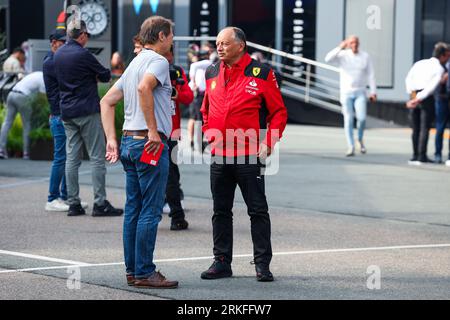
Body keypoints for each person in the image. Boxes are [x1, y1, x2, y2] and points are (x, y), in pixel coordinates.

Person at [200, 27, 288, 282]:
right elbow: (205, 109)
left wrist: (269, 142)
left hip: (250, 154)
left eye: (225, 43)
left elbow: (279, 113)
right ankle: (221, 262)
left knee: (257, 210)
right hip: (219, 155)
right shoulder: (212, 71)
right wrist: (209, 133)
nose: (219, 48)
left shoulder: (262, 73)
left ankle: (262, 264)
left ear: (241, 45)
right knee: (220, 211)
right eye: (217, 43)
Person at [100, 16, 178, 289]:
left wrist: (111, 138)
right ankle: (144, 271)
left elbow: (106, 101)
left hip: (129, 142)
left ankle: (133, 270)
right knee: (150, 209)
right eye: (170, 36)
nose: (172, 40)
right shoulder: (157, 60)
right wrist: (154, 131)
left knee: (134, 208)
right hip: (148, 143)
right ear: (160, 36)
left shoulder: (134, 63)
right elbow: (145, 88)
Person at [54, 20, 123, 217]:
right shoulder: (84, 55)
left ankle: (73, 203)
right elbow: (104, 75)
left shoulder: (58, 54)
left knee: (72, 158)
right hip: (87, 110)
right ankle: (99, 202)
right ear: (82, 34)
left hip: (66, 111)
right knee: (96, 157)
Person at [325, 36, 377, 157]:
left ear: (359, 43)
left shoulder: (365, 56)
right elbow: (327, 59)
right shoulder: (343, 55)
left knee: (362, 118)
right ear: (348, 44)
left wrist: (373, 91)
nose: (354, 45)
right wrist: (339, 47)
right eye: (352, 42)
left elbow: (371, 74)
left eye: (356, 42)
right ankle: (350, 145)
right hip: (346, 92)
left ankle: (359, 139)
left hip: (360, 92)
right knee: (348, 119)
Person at [163, 45, 194, 230]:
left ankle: (176, 216)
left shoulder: (177, 71)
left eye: (169, 54)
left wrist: (175, 92)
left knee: (172, 175)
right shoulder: (148, 68)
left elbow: (188, 97)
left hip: (171, 132)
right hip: (151, 130)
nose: (167, 58)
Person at [406, 42, 450, 165]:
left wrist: (412, 96)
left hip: (413, 95)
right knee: (424, 128)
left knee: (415, 128)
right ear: (442, 56)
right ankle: (421, 156)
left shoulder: (419, 63)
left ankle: (414, 156)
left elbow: (409, 79)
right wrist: (418, 98)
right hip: (425, 98)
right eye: (447, 56)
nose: (448, 59)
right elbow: (431, 87)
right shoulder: (439, 68)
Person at [43, 29, 69, 211]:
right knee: (61, 158)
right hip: (59, 115)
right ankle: (53, 198)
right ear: (53, 43)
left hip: (61, 114)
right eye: (63, 42)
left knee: (66, 157)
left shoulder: (54, 59)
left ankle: (65, 197)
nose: (66, 45)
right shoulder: (51, 62)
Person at [0, 71, 46, 160]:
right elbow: (42, 98)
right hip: (22, 97)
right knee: (27, 124)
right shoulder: (43, 79)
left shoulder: (36, 74)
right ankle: (26, 153)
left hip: (12, 94)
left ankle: (1, 150)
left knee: (7, 122)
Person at [188, 47, 212, 152]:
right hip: (200, 96)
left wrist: (192, 82)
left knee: (197, 119)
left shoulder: (201, 66)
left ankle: (197, 143)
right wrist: (193, 82)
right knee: (200, 120)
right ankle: (199, 144)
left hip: (199, 95)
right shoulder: (205, 64)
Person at [434, 60, 450, 164]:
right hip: (442, 98)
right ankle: (438, 154)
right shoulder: (442, 66)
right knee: (440, 127)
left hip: (443, 98)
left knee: (440, 127)